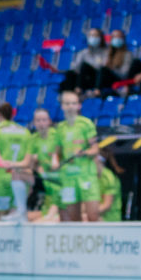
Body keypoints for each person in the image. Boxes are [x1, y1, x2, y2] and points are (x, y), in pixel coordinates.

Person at [0, 103, 34, 222]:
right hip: (19, 180)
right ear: (13, 114)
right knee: (14, 219)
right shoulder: (25, 131)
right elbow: (29, 161)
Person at [56, 90, 100, 222]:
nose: (70, 106)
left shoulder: (86, 124)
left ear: (79, 106)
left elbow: (95, 149)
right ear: (62, 106)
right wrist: (57, 163)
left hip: (86, 176)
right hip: (68, 178)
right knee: (73, 219)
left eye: (74, 103)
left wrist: (84, 153)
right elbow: (58, 153)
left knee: (93, 216)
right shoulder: (60, 128)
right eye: (67, 103)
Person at [28, 107, 62, 222]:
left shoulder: (57, 135)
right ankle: (18, 209)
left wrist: (55, 158)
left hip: (59, 179)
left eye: (44, 120)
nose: (41, 123)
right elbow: (30, 164)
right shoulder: (32, 139)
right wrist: (36, 164)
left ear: (49, 121)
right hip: (43, 179)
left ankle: (54, 213)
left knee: (48, 220)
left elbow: (61, 156)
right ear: (34, 123)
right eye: (38, 120)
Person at [60, 28, 109, 94]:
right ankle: (68, 97)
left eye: (95, 35)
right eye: (91, 35)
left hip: (98, 78)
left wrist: (89, 66)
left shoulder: (106, 52)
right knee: (69, 75)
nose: (93, 38)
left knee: (85, 67)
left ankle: (79, 89)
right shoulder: (83, 52)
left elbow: (103, 67)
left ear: (101, 38)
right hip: (85, 78)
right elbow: (75, 68)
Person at [97, 155, 124, 222]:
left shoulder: (108, 177)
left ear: (99, 160)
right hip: (97, 217)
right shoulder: (92, 176)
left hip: (110, 220)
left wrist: (89, 213)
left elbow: (106, 206)